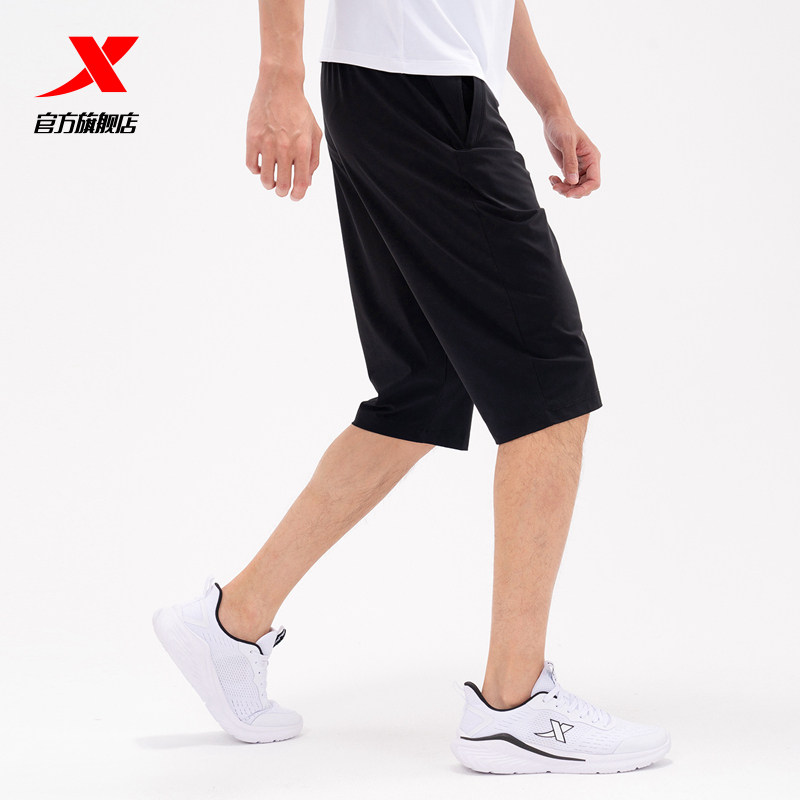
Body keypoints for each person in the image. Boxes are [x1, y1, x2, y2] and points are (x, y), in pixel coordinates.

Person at [153, 0, 670, 774]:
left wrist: (552, 104)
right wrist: (278, 76)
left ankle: (232, 623)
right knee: (549, 389)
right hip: (420, 91)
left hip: (396, 90)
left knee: (423, 390)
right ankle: (512, 707)